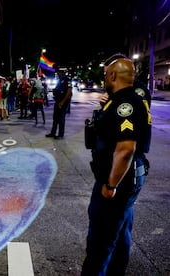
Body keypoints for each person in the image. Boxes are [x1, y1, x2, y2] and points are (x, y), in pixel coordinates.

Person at [81, 56, 151, 275]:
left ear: (112, 75)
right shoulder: (119, 99)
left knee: (100, 244)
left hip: (119, 178)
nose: (104, 79)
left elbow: (126, 148)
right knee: (119, 234)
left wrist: (111, 185)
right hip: (128, 176)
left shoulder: (126, 104)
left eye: (105, 75)